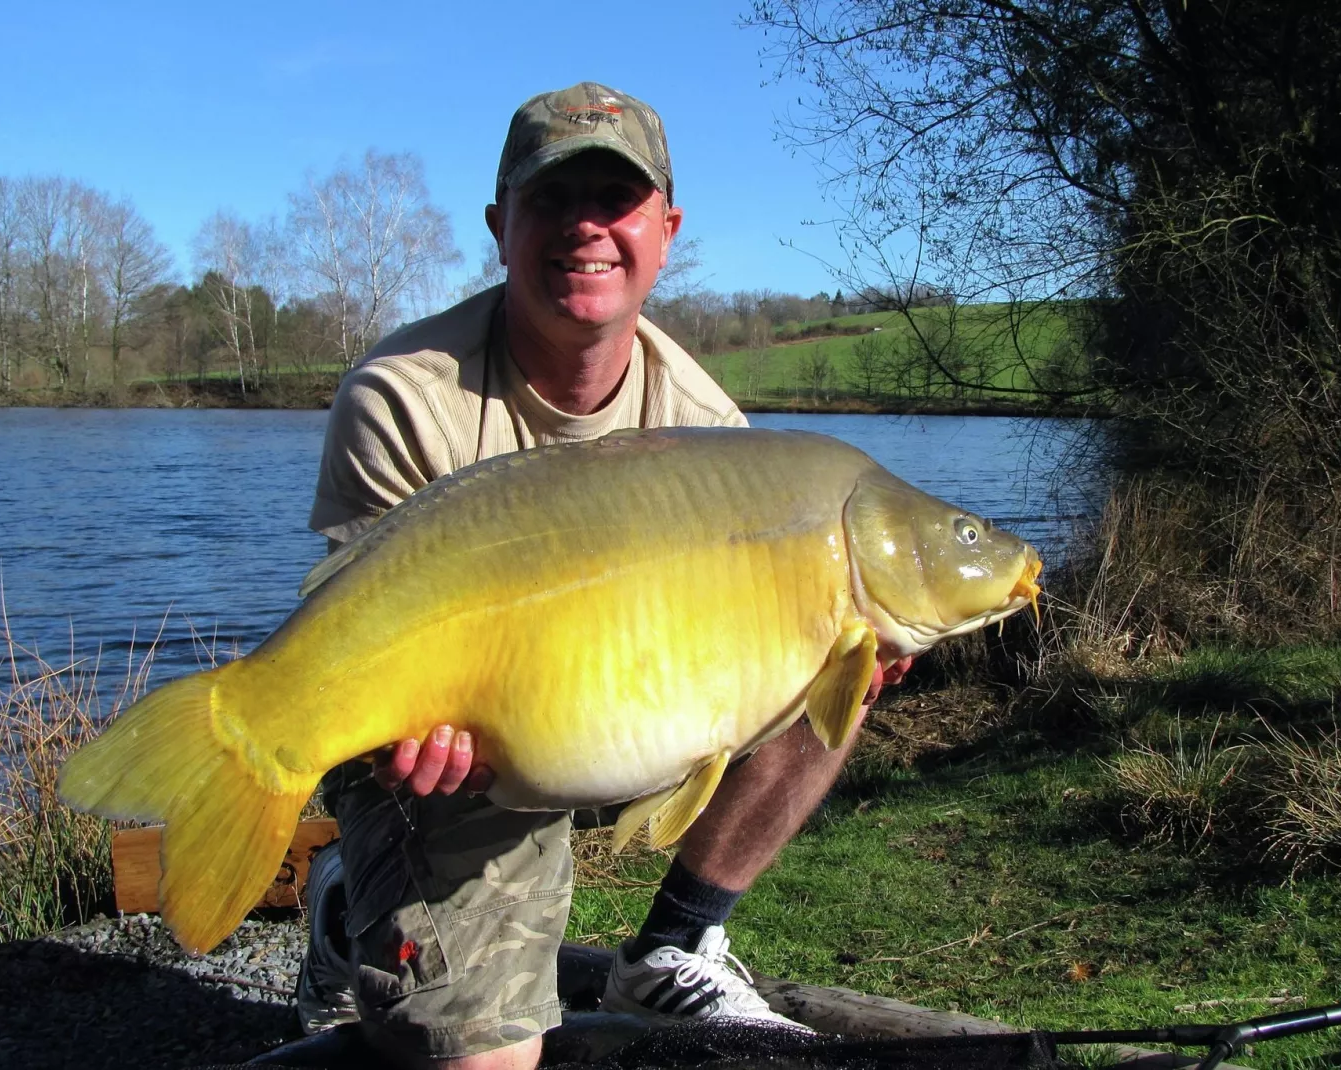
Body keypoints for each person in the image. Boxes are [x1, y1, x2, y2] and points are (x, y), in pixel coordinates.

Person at [297, 81, 911, 1070]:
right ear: (501, 225)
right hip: (459, 747)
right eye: (552, 199)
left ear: (664, 232)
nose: (585, 228)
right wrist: (396, 740)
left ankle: (677, 938)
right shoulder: (404, 396)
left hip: (633, 705)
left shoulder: (711, 434)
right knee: (488, 1059)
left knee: (836, 640)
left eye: (615, 202)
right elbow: (357, 628)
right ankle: (348, 893)